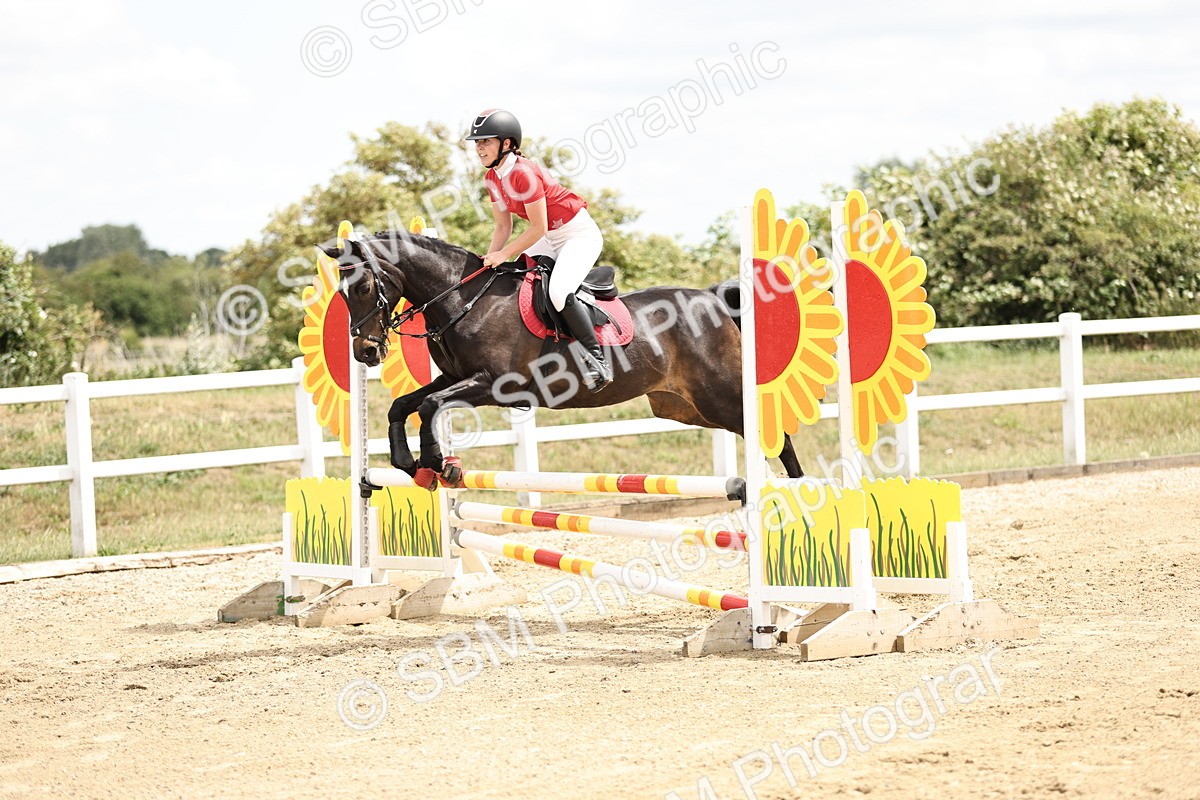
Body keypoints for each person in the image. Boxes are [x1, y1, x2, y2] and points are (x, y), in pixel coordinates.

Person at [466, 108, 613, 392]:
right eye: (476, 142)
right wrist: (488, 261)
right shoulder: (492, 178)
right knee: (510, 277)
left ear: (506, 144)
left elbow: (537, 228)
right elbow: (502, 228)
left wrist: (503, 254)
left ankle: (597, 359)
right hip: (550, 236)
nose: (479, 147)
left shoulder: (523, 173)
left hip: (576, 234)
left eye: (485, 141)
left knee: (558, 291)